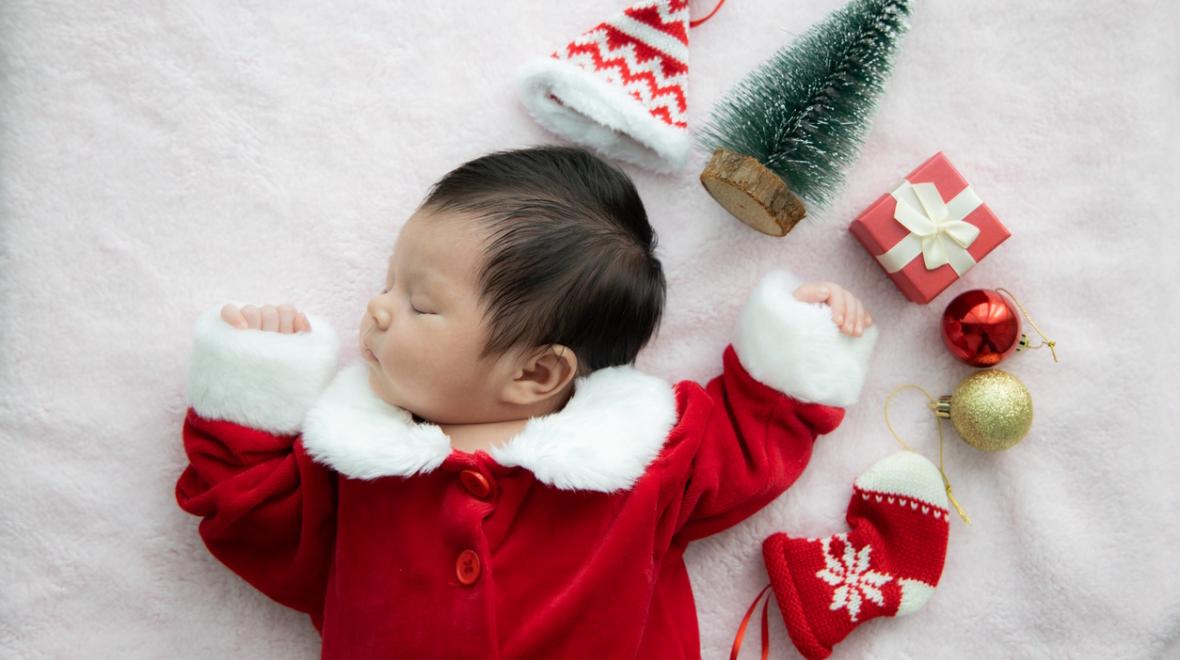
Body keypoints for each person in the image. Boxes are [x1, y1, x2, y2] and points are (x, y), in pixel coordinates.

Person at [176, 145, 876, 658]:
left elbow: (753, 442)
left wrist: (805, 339)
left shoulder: (644, 456)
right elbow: (254, 520)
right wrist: (253, 384)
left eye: (419, 304)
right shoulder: (354, 467)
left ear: (539, 374)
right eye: (389, 284)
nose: (378, 310)